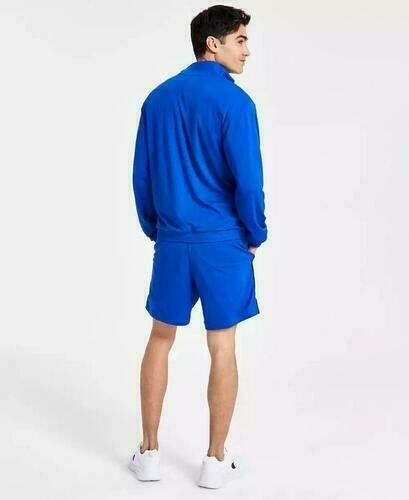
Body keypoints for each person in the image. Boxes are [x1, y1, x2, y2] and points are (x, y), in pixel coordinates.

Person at [128, 4, 268, 489]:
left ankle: (148, 453)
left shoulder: (158, 99)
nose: (247, 50)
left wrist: (158, 229)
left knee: (160, 338)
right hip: (222, 243)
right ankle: (214, 461)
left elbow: (142, 177)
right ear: (214, 43)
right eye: (240, 39)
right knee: (222, 345)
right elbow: (248, 183)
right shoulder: (236, 104)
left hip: (173, 239)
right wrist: (255, 234)